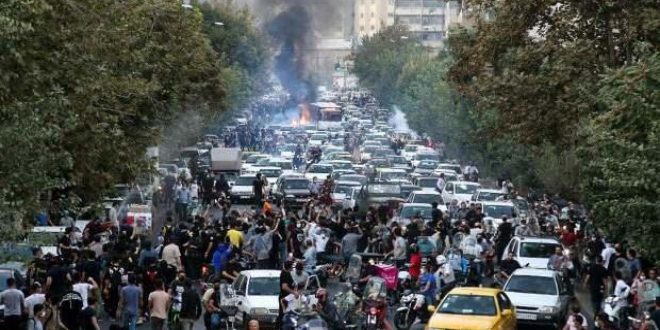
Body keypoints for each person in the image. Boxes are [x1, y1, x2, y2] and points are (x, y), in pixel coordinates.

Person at [278, 261, 297, 327]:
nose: (293, 267)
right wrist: (294, 292)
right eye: (292, 266)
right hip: (285, 297)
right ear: (289, 267)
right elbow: (284, 287)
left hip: (288, 297)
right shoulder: (285, 274)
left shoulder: (287, 273)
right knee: (284, 315)